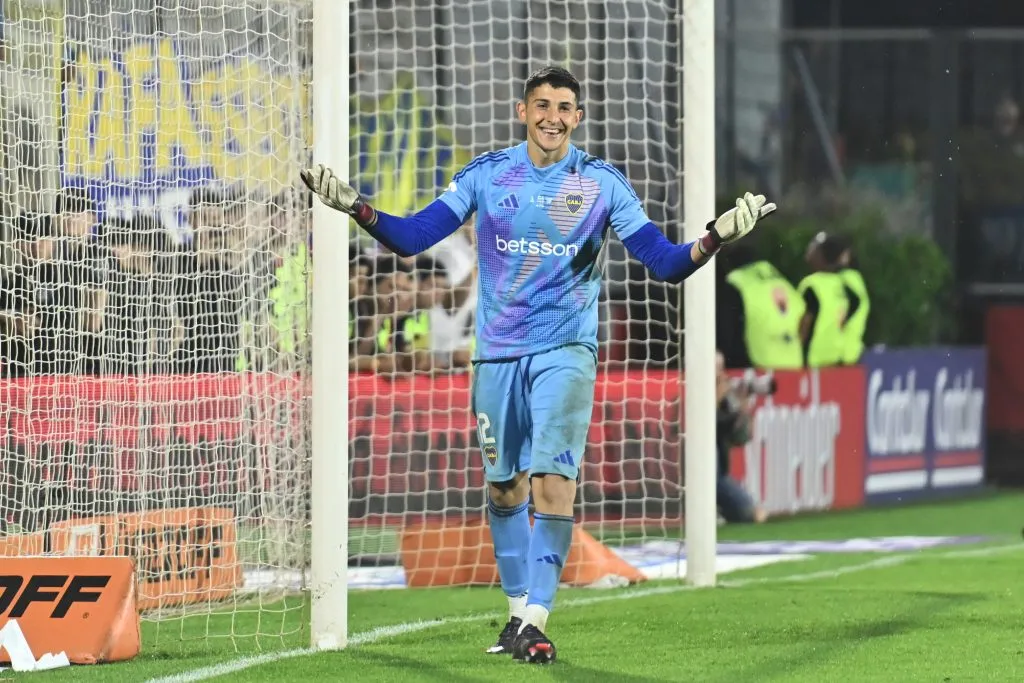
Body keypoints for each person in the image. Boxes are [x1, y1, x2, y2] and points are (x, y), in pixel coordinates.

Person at [301, 66, 775, 664]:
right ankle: (518, 615)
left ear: (579, 117)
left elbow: (664, 262)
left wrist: (713, 238)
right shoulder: (487, 175)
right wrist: (358, 209)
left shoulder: (602, 184)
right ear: (522, 111)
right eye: (542, 104)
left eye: (565, 106)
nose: (553, 115)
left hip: (566, 353)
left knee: (554, 481)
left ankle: (537, 621)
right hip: (497, 354)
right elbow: (415, 236)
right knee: (505, 487)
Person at [717, 244, 803, 370]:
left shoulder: (736, 283)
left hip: (758, 365)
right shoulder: (782, 281)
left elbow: (727, 330)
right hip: (794, 364)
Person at [715, 351, 767, 524]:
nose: (722, 375)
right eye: (717, 370)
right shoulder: (688, 396)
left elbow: (741, 438)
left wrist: (743, 408)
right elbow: (704, 425)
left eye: (722, 369)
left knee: (755, 512)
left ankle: (720, 510)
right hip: (702, 480)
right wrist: (717, 399)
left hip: (719, 477)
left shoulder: (725, 401)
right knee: (750, 513)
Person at [797, 231, 849, 368]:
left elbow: (803, 325)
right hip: (835, 360)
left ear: (821, 255)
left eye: (814, 248)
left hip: (812, 362)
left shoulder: (812, 285)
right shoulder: (840, 284)